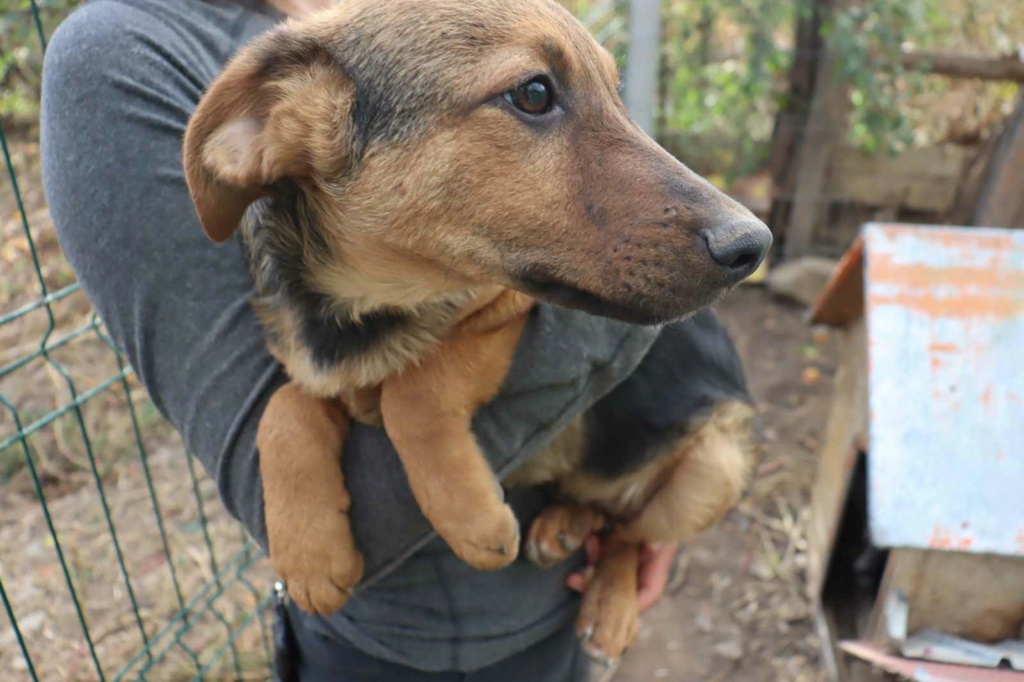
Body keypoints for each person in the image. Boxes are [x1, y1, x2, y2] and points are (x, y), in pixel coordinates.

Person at [41, 0, 724, 679]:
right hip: (384, 651)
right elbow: (292, 479)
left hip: (562, 581)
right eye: (533, 95)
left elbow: (633, 315)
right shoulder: (127, 54)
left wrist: (642, 527)